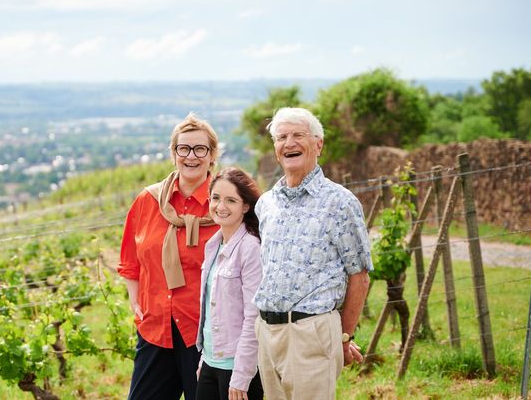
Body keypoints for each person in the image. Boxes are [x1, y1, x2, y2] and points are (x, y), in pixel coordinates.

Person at [253, 107, 372, 400]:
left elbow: (360, 275)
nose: (289, 143)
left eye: (298, 135)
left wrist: (344, 337)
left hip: (311, 332)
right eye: (282, 137)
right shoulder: (266, 203)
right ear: (275, 148)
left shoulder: (340, 202)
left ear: (318, 144)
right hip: (267, 333)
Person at [118, 113, 221, 400]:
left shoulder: (225, 202)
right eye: (183, 148)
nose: (191, 156)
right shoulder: (148, 200)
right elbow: (130, 259)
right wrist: (135, 299)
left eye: (200, 149)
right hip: (156, 328)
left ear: (212, 155)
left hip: (206, 333)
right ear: (173, 153)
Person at [196, 168, 264, 400]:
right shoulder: (213, 246)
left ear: (245, 206)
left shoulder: (250, 248)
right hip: (210, 363)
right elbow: (211, 309)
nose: (220, 206)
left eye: (231, 200)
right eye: (215, 198)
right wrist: (205, 359)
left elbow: (253, 316)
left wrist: (242, 375)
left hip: (236, 368)